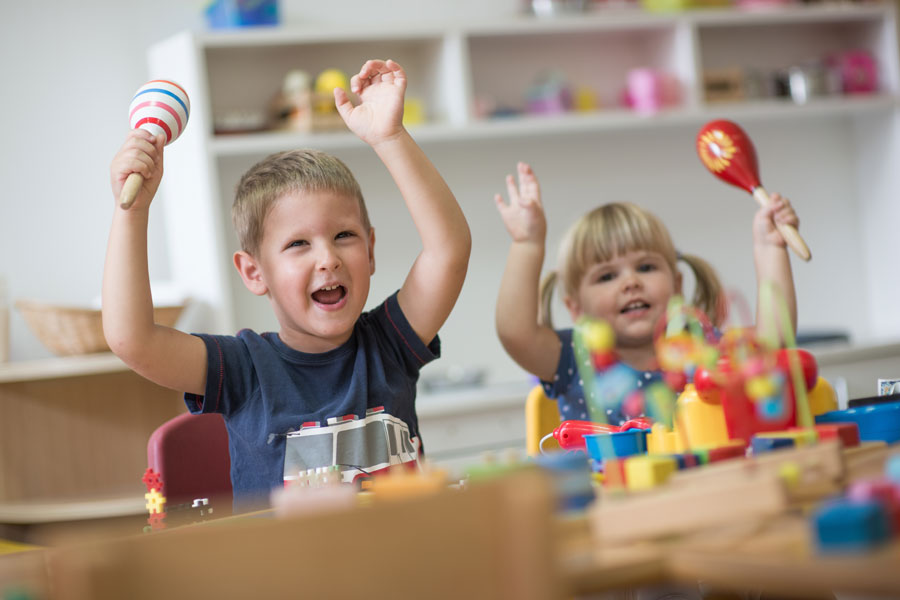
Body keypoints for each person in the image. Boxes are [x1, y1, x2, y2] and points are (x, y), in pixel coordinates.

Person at [105, 59, 471, 509]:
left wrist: (390, 138)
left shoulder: (390, 344)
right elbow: (132, 340)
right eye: (298, 244)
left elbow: (448, 251)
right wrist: (132, 211)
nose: (328, 258)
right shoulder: (243, 369)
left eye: (344, 236)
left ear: (371, 251)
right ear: (254, 273)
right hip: (287, 580)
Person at [494, 162, 798, 425]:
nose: (631, 283)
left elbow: (774, 343)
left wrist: (769, 247)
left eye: (646, 267)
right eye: (607, 276)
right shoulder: (573, 357)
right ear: (576, 309)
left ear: (677, 285)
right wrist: (527, 244)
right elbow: (514, 333)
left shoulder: (702, 348)